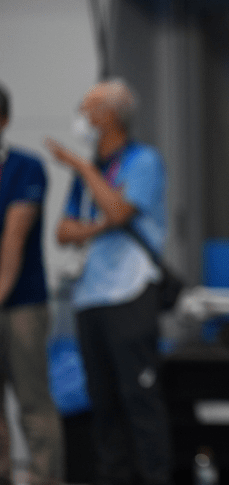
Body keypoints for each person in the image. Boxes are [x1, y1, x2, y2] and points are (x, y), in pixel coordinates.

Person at [46, 79, 173, 485]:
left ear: (109, 116)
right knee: (102, 403)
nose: (82, 117)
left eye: (88, 108)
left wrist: (82, 168)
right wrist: (96, 221)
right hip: (89, 296)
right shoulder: (94, 169)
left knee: (140, 398)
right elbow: (63, 232)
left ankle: (154, 477)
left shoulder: (143, 161)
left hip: (130, 293)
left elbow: (119, 211)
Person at [0, 83, 63, 485]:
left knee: (32, 401)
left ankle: (44, 477)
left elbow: (13, 240)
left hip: (21, 304)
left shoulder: (26, 167)